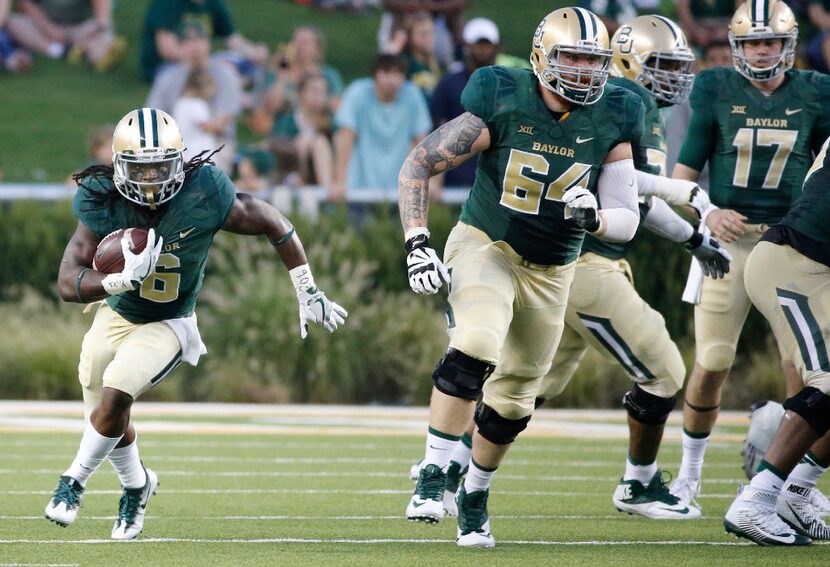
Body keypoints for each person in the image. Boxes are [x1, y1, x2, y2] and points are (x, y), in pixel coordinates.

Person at [428, 14, 730, 523]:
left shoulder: (619, 107)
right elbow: (636, 200)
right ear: (629, 62)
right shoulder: (625, 106)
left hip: (567, 262)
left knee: (527, 388)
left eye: (679, 66)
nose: (674, 76)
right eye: (661, 64)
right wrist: (695, 232)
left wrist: (685, 210)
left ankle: (454, 470)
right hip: (579, 260)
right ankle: (639, 481)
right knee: (664, 371)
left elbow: (624, 195)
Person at [43, 107, 347, 540]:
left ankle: (72, 481)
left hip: (170, 322)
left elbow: (269, 219)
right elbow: (67, 281)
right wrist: (115, 279)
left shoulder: (202, 191)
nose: (151, 181)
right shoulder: (103, 194)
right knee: (104, 414)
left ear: (180, 161)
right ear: (118, 166)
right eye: (140, 170)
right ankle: (137, 485)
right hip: (117, 312)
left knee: (119, 386)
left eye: (160, 168)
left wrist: (306, 287)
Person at [401, 7, 644, 548]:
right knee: (476, 341)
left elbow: (625, 218)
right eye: (573, 57)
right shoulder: (503, 94)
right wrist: (417, 242)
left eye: (593, 59)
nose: (583, 70)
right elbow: (419, 163)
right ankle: (433, 472)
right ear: (542, 57)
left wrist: (596, 218)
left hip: (555, 268)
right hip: (488, 244)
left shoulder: (618, 110)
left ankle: (475, 495)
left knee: (513, 400)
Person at [669, 0, 830, 514]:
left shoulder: (817, 93)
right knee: (713, 359)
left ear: (789, 46)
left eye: (772, 42)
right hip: (730, 243)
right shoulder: (715, 89)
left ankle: (789, 490)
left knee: (803, 370)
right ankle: (689, 476)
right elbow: (681, 178)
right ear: (737, 47)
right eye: (754, 42)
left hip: (792, 244)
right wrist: (708, 213)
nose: (762, 51)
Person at [723, 136, 830, 545]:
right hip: (795, 266)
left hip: (814, 268)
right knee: (829, 381)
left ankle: (796, 490)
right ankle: (757, 499)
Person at [331, 53, 431, 202]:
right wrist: (339, 181)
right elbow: (345, 136)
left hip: (402, 185)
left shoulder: (412, 95)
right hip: (358, 183)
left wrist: (430, 181)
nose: (391, 80)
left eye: (397, 73)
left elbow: (424, 141)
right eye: (386, 72)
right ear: (375, 75)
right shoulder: (357, 92)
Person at [145, 21, 242, 173]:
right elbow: (152, 117)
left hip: (216, 142)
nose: (194, 47)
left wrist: (196, 124)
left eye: (199, 40)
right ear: (179, 46)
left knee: (207, 173)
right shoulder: (168, 77)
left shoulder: (225, 75)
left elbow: (224, 119)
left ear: (207, 43)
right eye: (187, 41)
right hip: (173, 144)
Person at [429, 17, 499, 192]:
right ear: (467, 45)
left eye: (487, 44)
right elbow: (435, 127)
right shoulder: (449, 82)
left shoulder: (507, 84)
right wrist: (435, 174)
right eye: (478, 43)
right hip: (455, 175)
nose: (483, 49)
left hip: (494, 175)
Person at [140, 0, 268, 83]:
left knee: (246, 64)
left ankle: (236, 81)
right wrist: (207, 64)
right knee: (219, 71)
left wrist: (253, 53)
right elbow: (167, 49)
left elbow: (232, 38)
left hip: (203, 60)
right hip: (169, 65)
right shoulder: (167, 3)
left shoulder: (213, 3)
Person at [249, 26, 343, 136]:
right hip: (283, 131)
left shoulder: (328, 75)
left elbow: (338, 106)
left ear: (317, 49)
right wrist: (281, 77)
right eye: (295, 41)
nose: (299, 46)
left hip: (318, 127)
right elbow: (270, 109)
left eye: (305, 42)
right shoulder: (277, 74)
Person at [6, 0, 125, 71]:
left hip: (81, 25)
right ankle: (61, 51)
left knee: (102, 32)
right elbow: (26, 5)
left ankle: (95, 52)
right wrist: (49, 28)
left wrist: (101, 28)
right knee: (15, 22)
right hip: (46, 27)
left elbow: (102, 4)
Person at [270, 73, 335, 190]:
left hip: (318, 177)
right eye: (314, 91)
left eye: (323, 92)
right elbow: (274, 146)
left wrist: (312, 143)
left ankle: (326, 193)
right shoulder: (286, 121)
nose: (319, 97)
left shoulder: (331, 123)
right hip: (290, 175)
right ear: (301, 93)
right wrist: (295, 145)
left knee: (320, 142)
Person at [173, 67, 218, 163]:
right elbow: (206, 126)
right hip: (200, 153)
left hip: (185, 152)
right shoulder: (197, 104)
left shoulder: (180, 103)